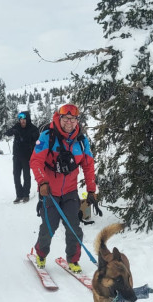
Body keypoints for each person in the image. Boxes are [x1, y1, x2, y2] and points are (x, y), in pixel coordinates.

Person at [30, 103, 98, 272]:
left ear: (77, 120)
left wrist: (91, 189)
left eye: (73, 119)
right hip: (50, 192)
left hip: (70, 191)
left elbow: (88, 165)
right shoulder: (48, 136)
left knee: (74, 227)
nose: (69, 122)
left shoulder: (81, 141)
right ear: (59, 118)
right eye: (66, 118)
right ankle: (40, 253)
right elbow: (36, 160)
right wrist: (42, 182)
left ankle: (73, 260)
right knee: (49, 226)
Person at [5, 111, 40, 203]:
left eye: (24, 119)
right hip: (16, 155)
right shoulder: (17, 126)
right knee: (16, 176)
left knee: (26, 176)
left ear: (27, 119)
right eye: (21, 119)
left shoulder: (33, 128)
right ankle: (19, 195)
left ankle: (26, 195)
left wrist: (30, 140)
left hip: (27, 156)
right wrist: (12, 131)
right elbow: (7, 133)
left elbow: (38, 142)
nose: (22, 121)